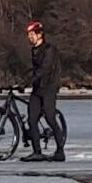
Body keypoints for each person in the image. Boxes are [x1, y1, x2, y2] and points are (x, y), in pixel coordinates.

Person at [21, 20, 65, 162]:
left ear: (40, 34)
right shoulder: (34, 50)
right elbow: (34, 70)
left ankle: (60, 151)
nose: (30, 37)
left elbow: (44, 70)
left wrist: (29, 81)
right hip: (37, 88)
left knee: (50, 118)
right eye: (28, 34)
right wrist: (23, 80)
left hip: (49, 88)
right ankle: (37, 152)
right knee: (32, 119)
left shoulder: (49, 50)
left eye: (32, 34)